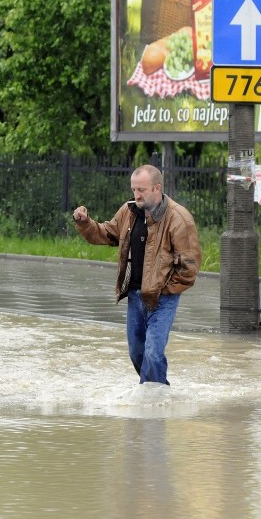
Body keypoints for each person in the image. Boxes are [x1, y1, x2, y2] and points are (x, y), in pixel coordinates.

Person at [72, 164, 201, 386]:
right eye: (134, 190)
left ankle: (153, 399)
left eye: (141, 190)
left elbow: (189, 266)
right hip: (135, 295)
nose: (136, 195)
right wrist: (85, 223)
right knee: (136, 353)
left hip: (163, 299)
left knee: (153, 352)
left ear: (157, 188)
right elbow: (106, 233)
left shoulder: (179, 218)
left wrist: (165, 290)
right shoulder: (129, 212)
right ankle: (157, 394)